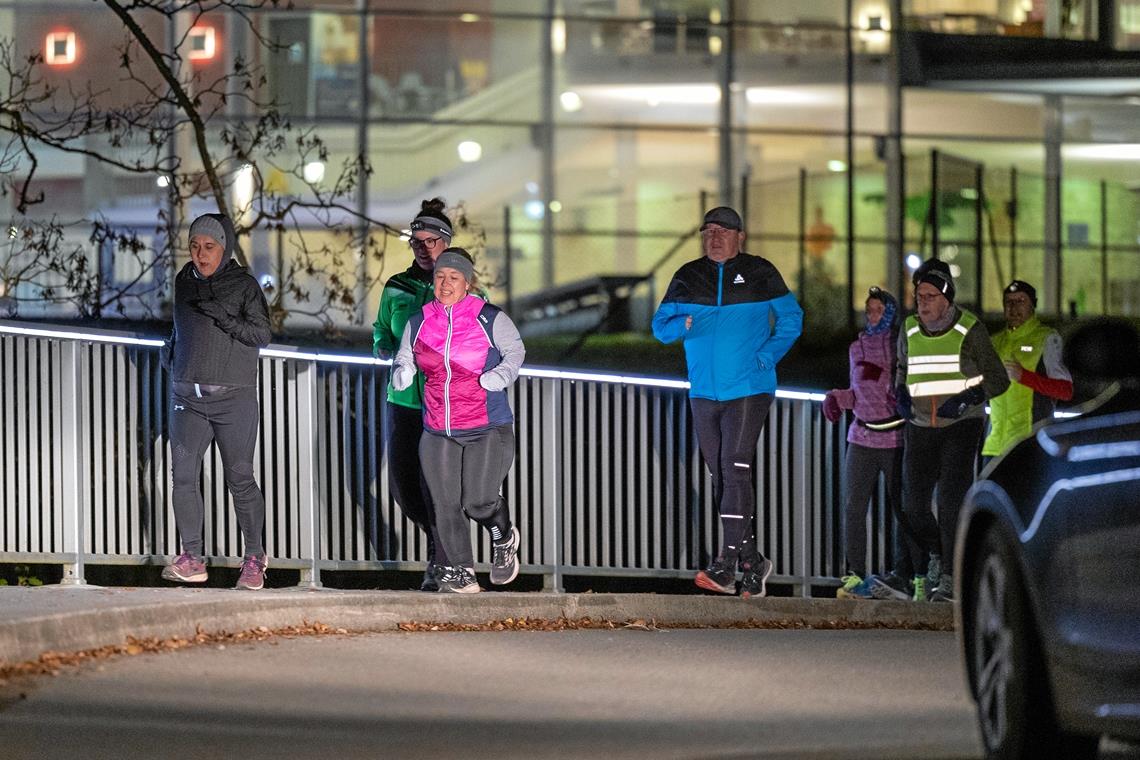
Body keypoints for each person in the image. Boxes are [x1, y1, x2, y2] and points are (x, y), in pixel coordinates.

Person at [652, 206, 803, 598]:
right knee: (721, 476)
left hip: (749, 387)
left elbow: (792, 318)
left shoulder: (760, 271)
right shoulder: (687, 275)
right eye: (708, 231)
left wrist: (767, 356)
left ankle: (724, 566)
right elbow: (660, 328)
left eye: (723, 231)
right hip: (703, 390)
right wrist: (681, 325)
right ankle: (753, 564)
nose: (714, 237)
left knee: (735, 469)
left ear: (741, 236)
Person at [391, 248, 525, 593]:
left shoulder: (489, 317)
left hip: (486, 426)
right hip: (437, 429)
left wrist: (500, 376)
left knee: (477, 502)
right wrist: (403, 371)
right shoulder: (420, 320)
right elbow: (405, 354)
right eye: (439, 277)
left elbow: (516, 352)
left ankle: (504, 535)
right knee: (444, 504)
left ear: (467, 282)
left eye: (453, 278)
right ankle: (461, 570)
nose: (445, 284)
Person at [161, 213, 273, 590]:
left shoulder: (243, 285)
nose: (200, 254)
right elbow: (181, 325)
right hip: (186, 397)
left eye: (209, 247)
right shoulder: (183, 281)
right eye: (194, 246)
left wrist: (225, 317)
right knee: (182, 477)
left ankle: (254, 558)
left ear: (223, 249)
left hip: (233, 400)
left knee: (240, 478)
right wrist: (171, 351)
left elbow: (261, 333)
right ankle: (192, 557)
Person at [896, 259, 1009, 602]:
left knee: (950, 503)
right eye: (919, 296)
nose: (923, 302)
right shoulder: (910, 328)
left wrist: (968, 398)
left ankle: (949, 579)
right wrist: (899, 392)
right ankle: (939, 553)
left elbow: (999, 379)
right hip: (919, 426)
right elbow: (902, 368)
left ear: (946, 298)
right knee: (912, 506)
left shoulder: (969, 328)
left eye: (930, 296)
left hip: (961, 424)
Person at [373, 198, 455, 591]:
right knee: (404, 487)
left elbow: (484, 336)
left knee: (435, 484)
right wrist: (383, 347)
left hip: (445, 402)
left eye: (431, 241)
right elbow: (381, 329)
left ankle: (442, 561)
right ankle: (441, 546)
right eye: (417, 242)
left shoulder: (462, 287)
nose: (423, 248)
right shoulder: (397, 286)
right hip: (403, 400)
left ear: (446, 243)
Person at [823, 287, 915, 600]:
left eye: (878, 310)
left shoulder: (900, 346)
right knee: (852, 508)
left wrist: (898, 395)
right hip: (860, 437)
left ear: (889, 314)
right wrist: (837, 399)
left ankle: (910, 576)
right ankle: (855, 576)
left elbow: (899, 390)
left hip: (894, 437)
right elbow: (859, 393)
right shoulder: (856, 347)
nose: (872, 316)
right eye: (869, 310)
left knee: (903, 510)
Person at [981, 279, 1072, 463]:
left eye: (1021, 301)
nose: (1014, 307)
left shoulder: (1047, 338)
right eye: (1009, 302)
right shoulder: (994, 342)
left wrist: (1024, 377)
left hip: (1028, 444)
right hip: (994, 445)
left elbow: (1065, 391)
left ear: (1033, 305)